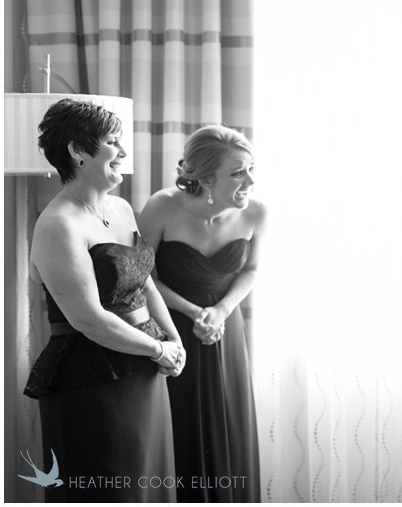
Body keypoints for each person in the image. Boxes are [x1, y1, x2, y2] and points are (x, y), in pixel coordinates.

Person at [23, 98, 185, 502]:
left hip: (143, 368)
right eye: (113, 141)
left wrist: (173, 340)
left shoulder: (122, 208)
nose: (124, 151)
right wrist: (158, 349)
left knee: (148, 482)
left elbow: (145, 283)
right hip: (91, 378)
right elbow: (89, 319)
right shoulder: (58, 224)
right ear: (78, 151)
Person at [139, 124, 265, 502]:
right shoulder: (162, 207)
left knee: (230, 424)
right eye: (238, 173)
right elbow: (142, 276)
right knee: (179, 423)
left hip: (225, 328)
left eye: (252, 169)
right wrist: (195, 312)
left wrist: (221, 311)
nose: (250, 181)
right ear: (206, 179)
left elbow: (251, 270)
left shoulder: (256, 213)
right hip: (170, 327)